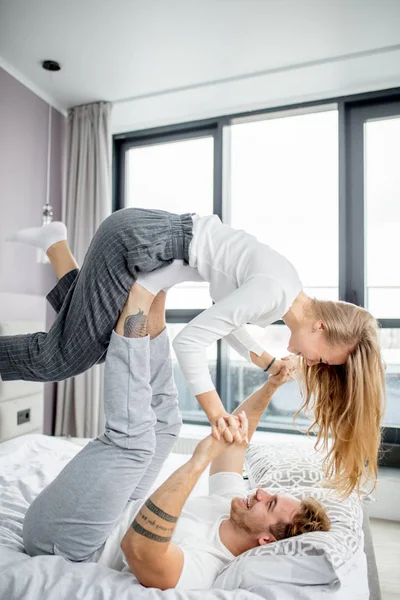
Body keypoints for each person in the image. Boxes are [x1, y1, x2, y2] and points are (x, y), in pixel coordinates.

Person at [3, 208, 385, 494]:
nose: (313, 363)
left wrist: (262, 359)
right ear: (320, 327)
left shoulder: (282, 294)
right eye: (323, 357)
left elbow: (225, 315)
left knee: (96, 345)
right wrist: (217, 414)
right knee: (60, 358)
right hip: (137, 243)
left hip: (145, 241)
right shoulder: (275, 292)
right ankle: (54, 243)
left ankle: (55, 245)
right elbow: (190, 342)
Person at [23, 282, 330, 591]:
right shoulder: (232, 507)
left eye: (271, 503)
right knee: (167, 421)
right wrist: (272, 385)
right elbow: (237, 437)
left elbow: (138, 549)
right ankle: (156, 291)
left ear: (265, 540)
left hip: (68, 544)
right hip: (115, 510)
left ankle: (136, 305)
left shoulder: (205, 567)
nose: (261, 492)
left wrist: (200, 460)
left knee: (136, 442)